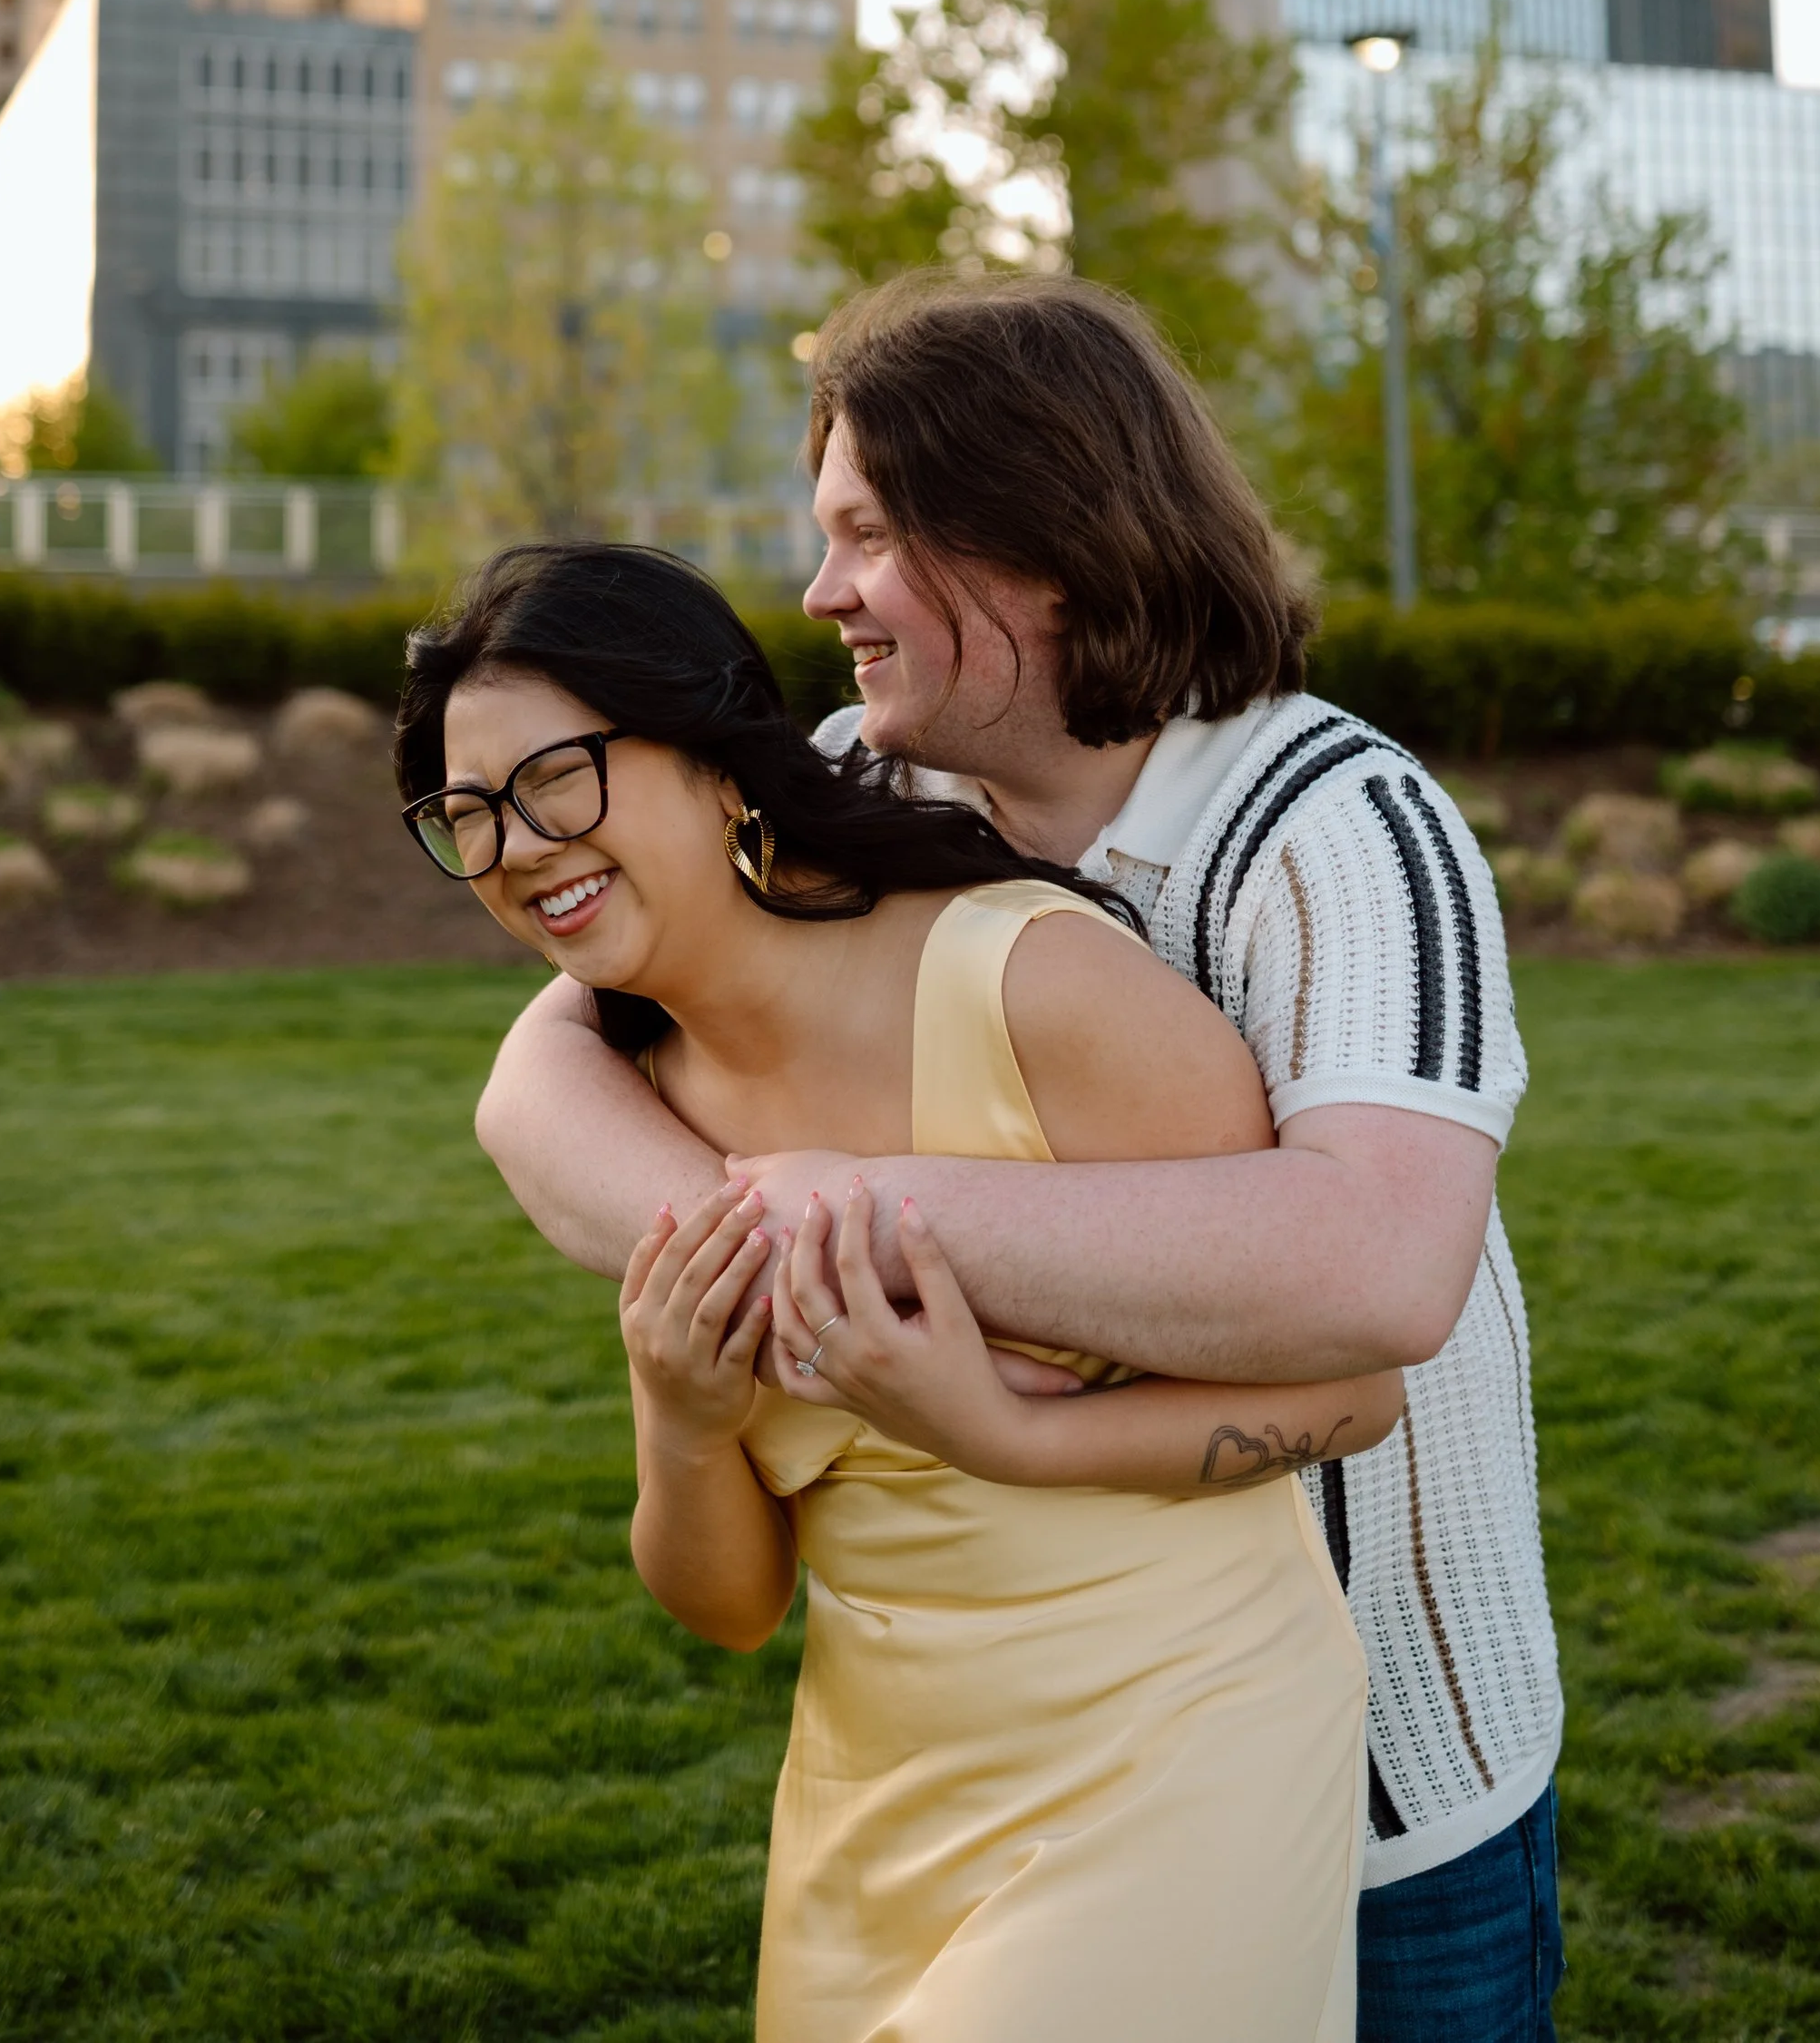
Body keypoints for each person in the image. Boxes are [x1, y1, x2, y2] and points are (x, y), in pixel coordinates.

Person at [481, 274, 1567, 2043]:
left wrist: (878, 1219)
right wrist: (769, 1259)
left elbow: (1376, 1271)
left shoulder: (1342, 828)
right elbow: (537, 1080)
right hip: (993, 1769)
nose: (821, 593)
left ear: (1042, 544)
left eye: (867, 537)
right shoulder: (855, 796)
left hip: (1381, 1780)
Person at [401, 539, 1401, 2043]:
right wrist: (678, 1411)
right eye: (465, 815)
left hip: (1181, 1744)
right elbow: (733, 1606)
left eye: (558, 778)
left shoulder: (1032, 984)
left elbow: (1355, 1387)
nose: (520, 847)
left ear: (715, 751)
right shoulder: (642, 1105)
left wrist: (1006, 1428)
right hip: (875, 1800)